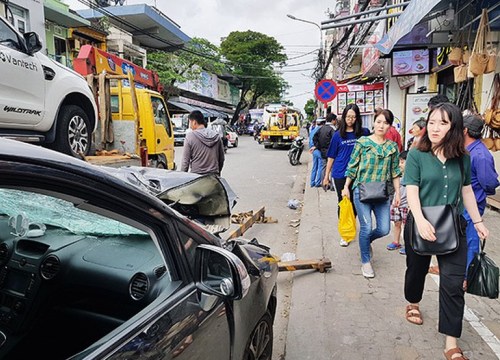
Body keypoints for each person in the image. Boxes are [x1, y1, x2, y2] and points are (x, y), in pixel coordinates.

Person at [402, 103, 488, 360]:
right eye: (431, 122)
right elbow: (411, 190)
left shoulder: (463, 158)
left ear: (454, 128)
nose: (435, 128)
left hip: (452, 227)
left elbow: (466, 191)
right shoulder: (417, 154)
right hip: (420, 224)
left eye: (442, 123)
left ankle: (451, 342)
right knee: (416, 271)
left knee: (452, 284)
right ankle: (413, 301)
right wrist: (420, 220)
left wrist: (478, 221)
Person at [342, 108, 401, 278]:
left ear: (390, 126)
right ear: (373, 122)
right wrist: (346, 186)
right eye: (379, 122)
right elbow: (352, 166)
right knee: (366, 227)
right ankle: (366, 261)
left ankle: (366, 242)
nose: (381, 126)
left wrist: (398, 193)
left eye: (386, 123)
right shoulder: (363, 142)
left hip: (382, 194)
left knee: (383, 229)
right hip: (361, 192)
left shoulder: (392, 147)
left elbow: (395, 171)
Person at [322, 104, 370, 247]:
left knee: (356, 203)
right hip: (340, 173)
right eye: (348, 117)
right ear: (343, 117)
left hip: (358, 174)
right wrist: (326, 176)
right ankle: (345, 233)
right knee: (343, 203)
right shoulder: (338, 135)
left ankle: (351, 227)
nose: (351, 120)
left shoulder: (364, 133)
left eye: (353, 117)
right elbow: (331, 156)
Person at [462, 114, 499, 276]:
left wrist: (480, 194)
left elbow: (490, 183)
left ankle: (467, 276)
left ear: (465, 131)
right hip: (459, 205)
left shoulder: (480, 155)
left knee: (470, 242)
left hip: (472, 207)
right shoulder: (466, 150)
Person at [181, 110, 225, 176]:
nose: (189, 126)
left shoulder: (190, 137)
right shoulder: (216, 136)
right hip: (214, 176)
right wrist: (217, 172)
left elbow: (185, 163)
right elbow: (221, 159)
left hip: (196, 177)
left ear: (194, 122)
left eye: (190, 123)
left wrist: (182, 178)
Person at [386, 151, 408, 254]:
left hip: (406, 205)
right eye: (400, 162)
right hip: (396, 203)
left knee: (407, 226)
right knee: (397, 223)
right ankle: (396, 241)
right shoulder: (398, 173)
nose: (400, 164)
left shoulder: (413, 175)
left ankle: (409, 245)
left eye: (402, 162)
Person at [313, 113, 336, 184]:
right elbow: (335, 141)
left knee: (323, 168)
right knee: (332, 168)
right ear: (333, 120)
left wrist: (318, 147)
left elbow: (315, 138)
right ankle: (332, 185)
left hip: (322, 151)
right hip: (331, 152)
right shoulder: (332, 129)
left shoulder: (321, 128)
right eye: (335, 120)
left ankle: (324, 183)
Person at [309, 117, 325, 187]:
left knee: (314, 166)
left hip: (312, 150)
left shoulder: (313, 130)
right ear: (323, 123)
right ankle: (318, 182)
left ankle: (312, 182)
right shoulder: (320, 131)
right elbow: (320, 142)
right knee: (321, 166)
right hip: (317, 149)